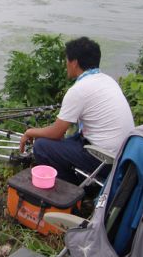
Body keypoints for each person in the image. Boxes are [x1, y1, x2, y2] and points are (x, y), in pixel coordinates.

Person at [19, 36, 134, 184]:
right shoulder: (108, 80)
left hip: (106, 161)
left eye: (66, 60)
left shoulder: (79, 90)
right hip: (124, 154)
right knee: (66, 140)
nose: (65, 64)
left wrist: (30, 132)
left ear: (74, 62)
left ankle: (73, 190)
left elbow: (56, 132)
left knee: (41, 146)